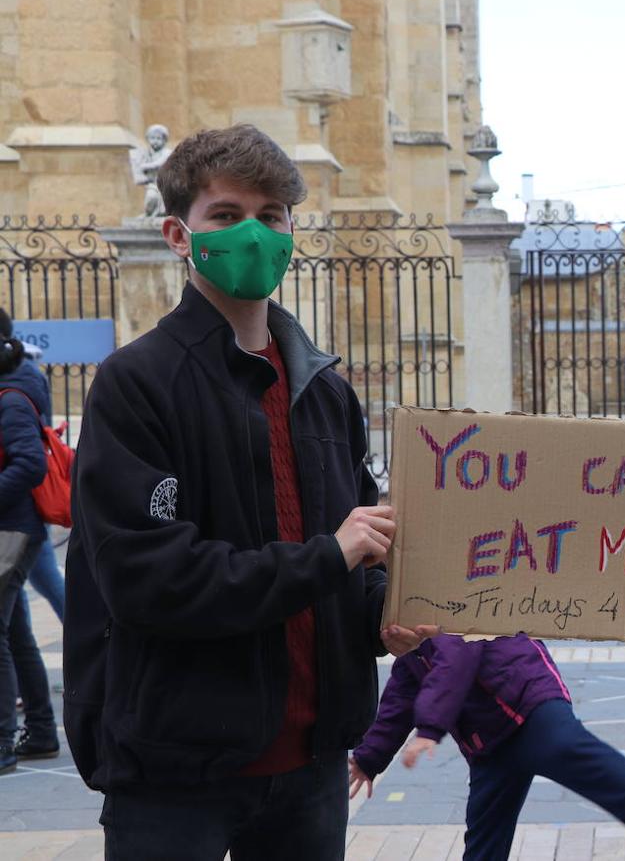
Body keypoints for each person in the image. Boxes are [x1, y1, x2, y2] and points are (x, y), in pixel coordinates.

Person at [63, 124, 435, 859]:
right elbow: (150, 579)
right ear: (178, 235)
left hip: (312, 764)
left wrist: (382, 618)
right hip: (177, 770)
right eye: (228, 216)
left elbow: (360, 552)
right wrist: (331, 556)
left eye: (272, 216)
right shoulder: (137, 386)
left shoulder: (325, 391)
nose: (255, 235)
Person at [350, 633, 625, 861]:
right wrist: (369, 759)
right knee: (485, 836)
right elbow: (400, 695)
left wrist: (429, 728)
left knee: (575, 754)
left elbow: (456, 659)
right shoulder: (406, 639)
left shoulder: (437, 603)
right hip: (488, 742)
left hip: (527, 702)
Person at [0, 329, 56, 775]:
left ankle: (3, 742)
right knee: (16, 633)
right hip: (12, 529)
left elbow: (30, 464)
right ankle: (39, 731)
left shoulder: (12, 399)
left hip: (13, 530)